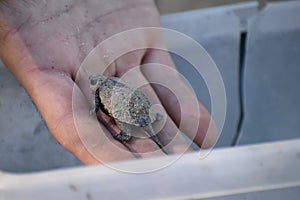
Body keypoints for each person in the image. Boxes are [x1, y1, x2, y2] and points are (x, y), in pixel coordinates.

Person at [0, 0, 216, 165]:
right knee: (144, 122)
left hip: (127, 108)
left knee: (126, 123)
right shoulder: (110, 83)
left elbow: (98, 107)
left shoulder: (100, 91)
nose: (94, 82)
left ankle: (128, 132)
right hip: (138, 104)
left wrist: (94, 110)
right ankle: (154, 116)